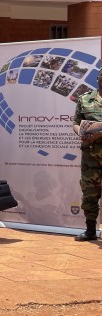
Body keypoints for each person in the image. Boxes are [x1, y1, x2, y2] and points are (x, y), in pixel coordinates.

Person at [72, 74, 102, 241]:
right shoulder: (85, 99)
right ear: (98, 78)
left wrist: (99, 135)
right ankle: (90, 230)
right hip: (90, 157)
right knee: (89, 193)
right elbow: (75, 122)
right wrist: (81, 133)